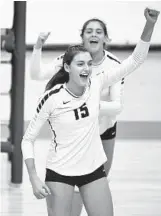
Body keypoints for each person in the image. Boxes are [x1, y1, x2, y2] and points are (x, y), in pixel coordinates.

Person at [22, 8, 159, 216]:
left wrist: (149, 24)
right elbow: (27, 139)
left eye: (88, 64)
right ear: (67, 68)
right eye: (80, 64)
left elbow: (136, 59)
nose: (86, 68)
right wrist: (33, 177)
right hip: (60, 173)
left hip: (93, 171)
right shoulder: (51, 98)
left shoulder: (97, 84)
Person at [30, 18, 125, 216]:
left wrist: (89, 106)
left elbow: (117, 107)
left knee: (96, 185)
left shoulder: (113, 64)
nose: (93, 35)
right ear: (81, 37)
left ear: (106, 38)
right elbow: (36, 74)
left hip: (103, 132)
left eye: (99, 31)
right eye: (89, 31)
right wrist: (38, 46)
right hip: (73, 134)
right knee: (71, 193)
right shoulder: (69, 60)